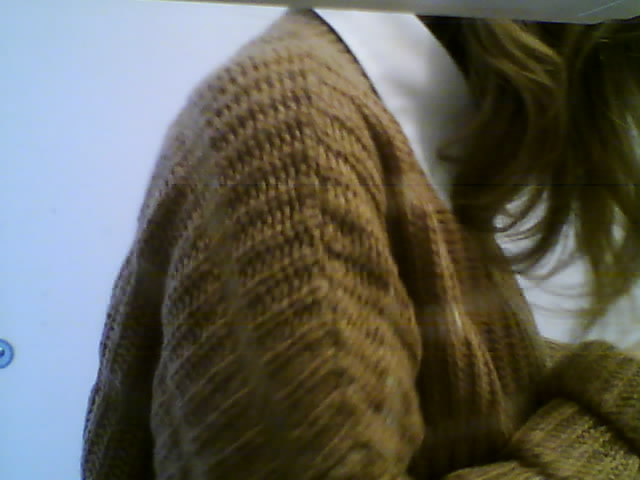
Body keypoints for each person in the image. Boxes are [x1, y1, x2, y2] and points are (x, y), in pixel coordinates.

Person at [80, 7, 640, 480]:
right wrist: (605, 428)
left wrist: (605, 384)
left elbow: (439, 376)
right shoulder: (298, 125)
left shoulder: (379, 123)